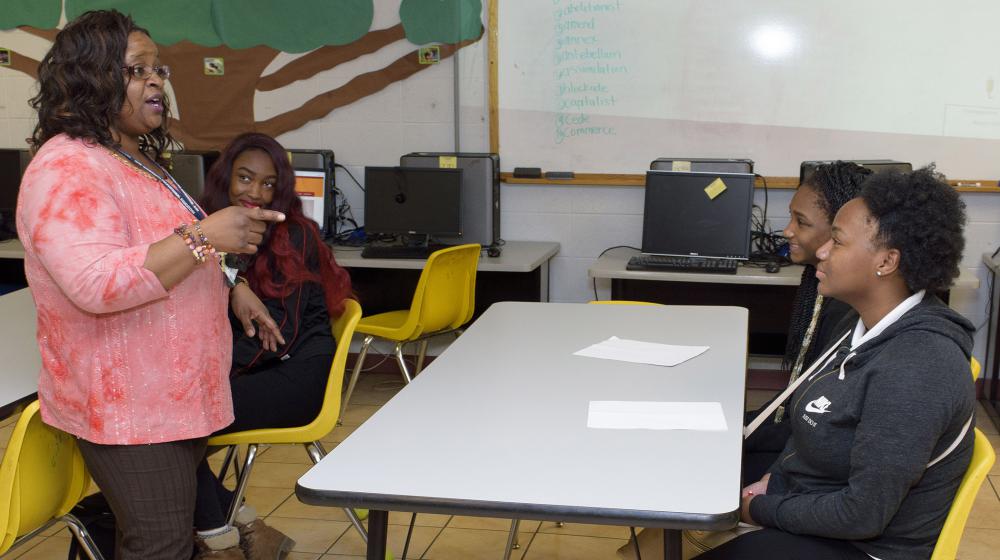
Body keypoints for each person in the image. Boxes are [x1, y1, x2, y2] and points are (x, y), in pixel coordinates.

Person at [16, 10, 285, 560]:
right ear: (90, 77)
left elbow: (157, 249)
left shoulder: (134, 156)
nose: (158, 82)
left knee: (172, 538)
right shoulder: (67, 169)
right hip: (131, 410)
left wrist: (231, 284)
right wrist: (206, 235)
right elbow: (96, 284)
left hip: (173, 397)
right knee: (160, 545)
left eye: (159, 69)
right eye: (138, 70)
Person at [698, 166, 975, 559]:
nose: (823, 251)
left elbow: (862, 515)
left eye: (838, 242)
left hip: (864, 548)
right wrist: (776, 477)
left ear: (887, 261)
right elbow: (816, 419)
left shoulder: (917, 368)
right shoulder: (865, 327)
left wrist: (755, 508)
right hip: (820, 508)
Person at [191, 133, 353, 559]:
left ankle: (218, 537)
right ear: (224, 179)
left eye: (267, 184)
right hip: (262, 369)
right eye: (245, 178)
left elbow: (272, 338)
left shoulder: (293, 236)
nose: (255, 192)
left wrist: (208, 376)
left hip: (299, 377)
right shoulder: (211, 233)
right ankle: (239, 522)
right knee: (173, 425)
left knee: (179, 424)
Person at [741, 161, 872, 484]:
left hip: (806, 455)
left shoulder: (849, 311)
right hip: (795, 436)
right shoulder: (816, 284)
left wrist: (742, 435)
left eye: (801, 222)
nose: (787, 231)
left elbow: (813, 420)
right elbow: (795, 398)